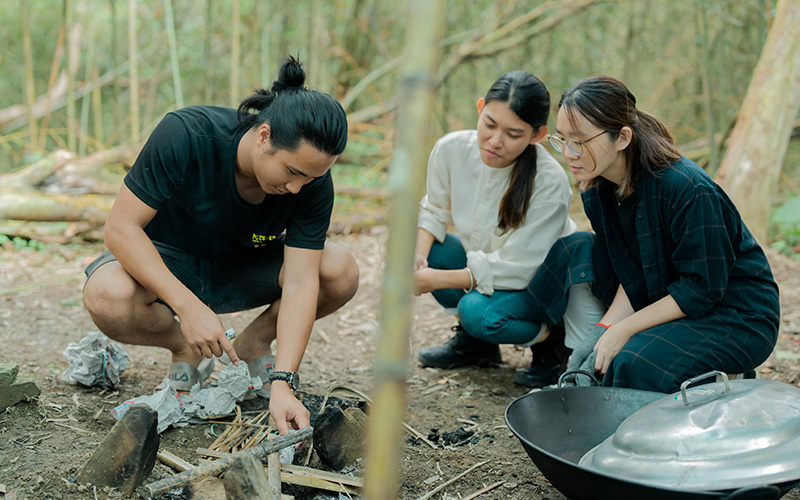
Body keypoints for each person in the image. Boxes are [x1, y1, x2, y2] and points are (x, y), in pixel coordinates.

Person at [82, 56, 359, 434]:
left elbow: (300, 281)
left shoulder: (311, 185)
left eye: (312, 178)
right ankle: (187, 349)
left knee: (339, 269)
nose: (297, 189)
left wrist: (284, 382)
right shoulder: (187, 134)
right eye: (292, 172)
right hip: (170, 262)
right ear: (264, 137)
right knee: (105, 294)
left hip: (245, 269)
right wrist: (187, 306)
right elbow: (120, 228)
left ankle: (253, 344)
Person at [543, 75, 779, 392]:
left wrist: (625, 329)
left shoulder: (686, 187)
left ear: (622, 138)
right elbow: (633, 273)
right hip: (675, 305)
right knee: (604, 357)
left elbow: (702, 290)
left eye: (580, 142)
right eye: (562, 140)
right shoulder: (597, 192)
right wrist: (604, 330)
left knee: (631, 364)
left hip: (737, 316)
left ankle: (728, 374)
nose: (568, 153)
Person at [413, 70, 604, 387]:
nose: (494, 141)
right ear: (479, 108)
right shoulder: (451, 150)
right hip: (485, 262)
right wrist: (419, 260)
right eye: (489, 124)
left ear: (537, 135)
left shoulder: (549, 181)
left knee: (475, 311)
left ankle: (549, 338)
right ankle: (477, 347)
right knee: (422, 246)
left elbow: (522, 267)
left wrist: (436, 279)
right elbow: (433, 208)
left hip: (538, 285)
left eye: (513, 134)